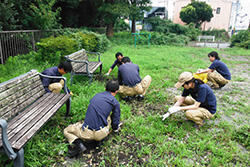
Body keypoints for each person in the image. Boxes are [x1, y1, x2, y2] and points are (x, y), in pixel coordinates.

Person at [63, 80, 121, 157]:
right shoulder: (115, 102)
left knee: (66, 130)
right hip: (102, 133)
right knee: (109, 116)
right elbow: (116, 118)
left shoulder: (96, 96)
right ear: (116, 91)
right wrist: (115, 129)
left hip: (86, 133)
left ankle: (79, 144)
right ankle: (98, 140)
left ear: (105, 88)